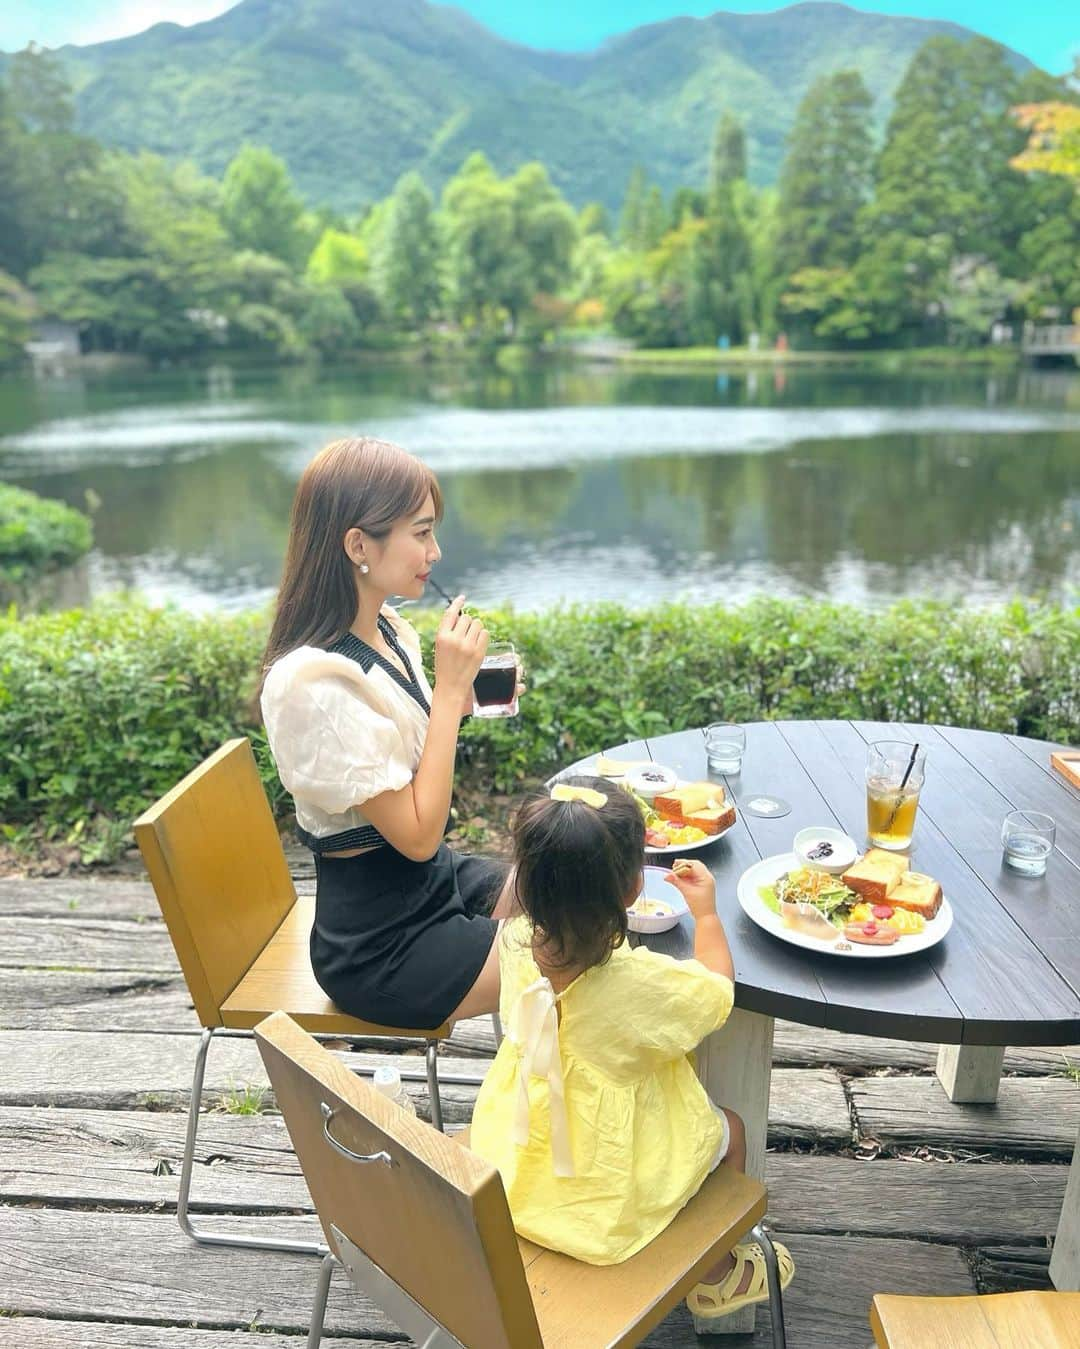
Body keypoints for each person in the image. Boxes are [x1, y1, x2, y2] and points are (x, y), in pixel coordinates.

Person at [470, 777, 794, 1321]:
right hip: (606, 1202)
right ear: (630, 890)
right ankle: (716, 1276)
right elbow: (717, 994)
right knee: (731, 1129)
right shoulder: (637, 986)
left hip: (514, 1164)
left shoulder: (514, 941)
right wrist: (708, 916)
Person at [259, 436, 517, 1030]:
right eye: (421, 533)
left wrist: (466, 698)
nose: (436, 550)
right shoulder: (312, 683)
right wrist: (450, 693)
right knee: (581, 949)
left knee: (573, 890)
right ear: (358, 546)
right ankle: (552, 1113)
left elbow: (401, 736)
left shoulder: (385, 631)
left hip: (432, 888)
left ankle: (554, 1100)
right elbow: (419, 834)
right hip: (381, 948)